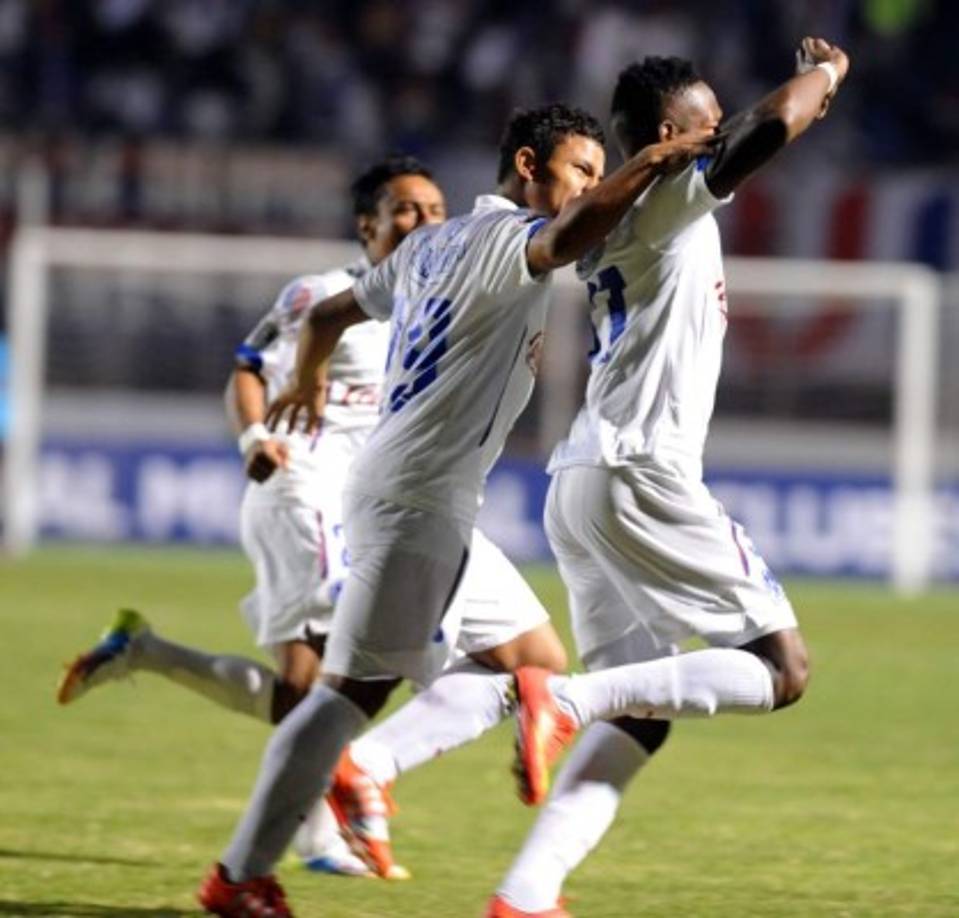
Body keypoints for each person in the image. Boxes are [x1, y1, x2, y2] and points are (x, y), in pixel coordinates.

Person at [196, 103, 712, 917]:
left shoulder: (430, 245)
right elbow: (569, 235)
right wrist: (651, 160)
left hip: (425, 497)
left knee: (534, 661)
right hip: (415, 498)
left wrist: (308, 376)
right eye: (580, 169)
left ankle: (367, 769)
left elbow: (328, 316)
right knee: (345, 695)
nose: (589, 184)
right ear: (529, 166)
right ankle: (238, 877)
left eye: (596, 170)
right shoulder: (509, 240)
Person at [56, 154, 565, 879]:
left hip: (380, 504)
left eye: (433, 208)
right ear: (367, 225)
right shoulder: (322, 293)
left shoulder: (434, 293)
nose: (424, 219)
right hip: (304, 493)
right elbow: (247, 367)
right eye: (405, 209)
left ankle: (150, 656)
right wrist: (253, 438)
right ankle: (326, 825)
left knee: (305, 692)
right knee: (342, 683)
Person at [490, 39, 850, 918]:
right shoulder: (666, 199)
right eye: (705, 122)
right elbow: (771, 124)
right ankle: (564, 699)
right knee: (782, 669)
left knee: (642, 718)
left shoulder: (631, 212)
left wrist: (809, 98)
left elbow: (764, 127)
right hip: (642, 472)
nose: (720, 132)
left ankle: (525, 894)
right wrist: (826, 76)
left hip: (584, 479)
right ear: (666, 135)